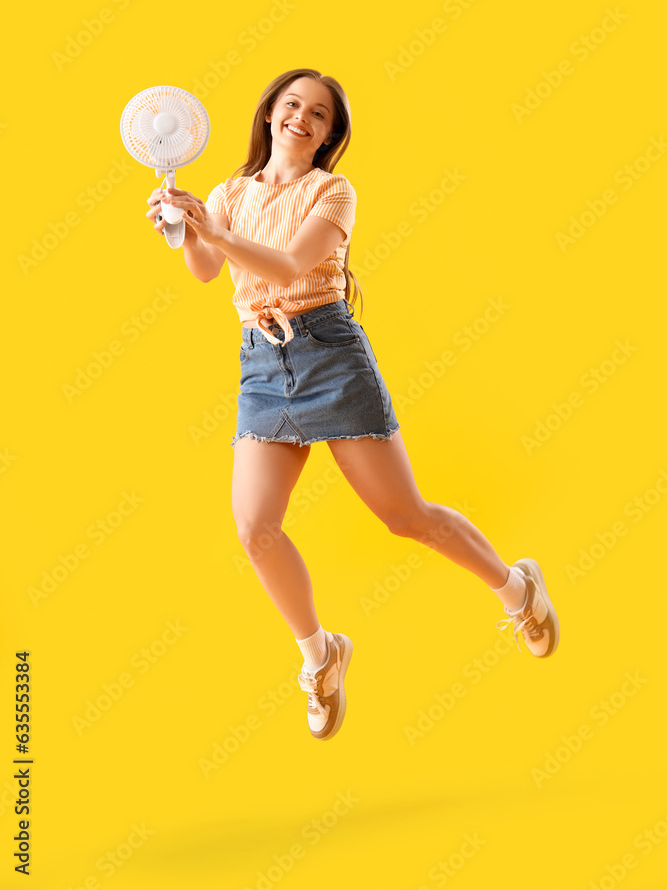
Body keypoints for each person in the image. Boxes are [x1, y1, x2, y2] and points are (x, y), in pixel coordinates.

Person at [145, 67, 560, 742]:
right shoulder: (227, 191)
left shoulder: (332, 192)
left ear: (330, 132)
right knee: (254, 529)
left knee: (405, 517)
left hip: (328, 354)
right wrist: (185, 224)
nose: (300, 118)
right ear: (269, 113)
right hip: (260, 363)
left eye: (317, 113)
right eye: (290, 105)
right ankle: (321, 655)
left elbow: (286, 267)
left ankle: (516, 588)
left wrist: (211, 234)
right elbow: (203, 271)